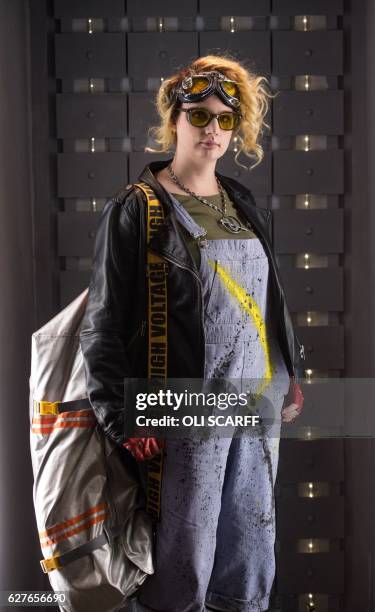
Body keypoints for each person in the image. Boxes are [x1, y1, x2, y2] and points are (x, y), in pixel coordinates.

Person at [79, 54, 305, 612]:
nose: (212, 129)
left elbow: (266, 294)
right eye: (198, 115)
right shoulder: (137, 209)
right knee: (182, 559)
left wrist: (290, 373)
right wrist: (123, 417)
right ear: (173, 120)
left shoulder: (241, 203)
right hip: (184, 411)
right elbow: (101, 326)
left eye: (225, 119)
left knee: (249, 552)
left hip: (255, 401)